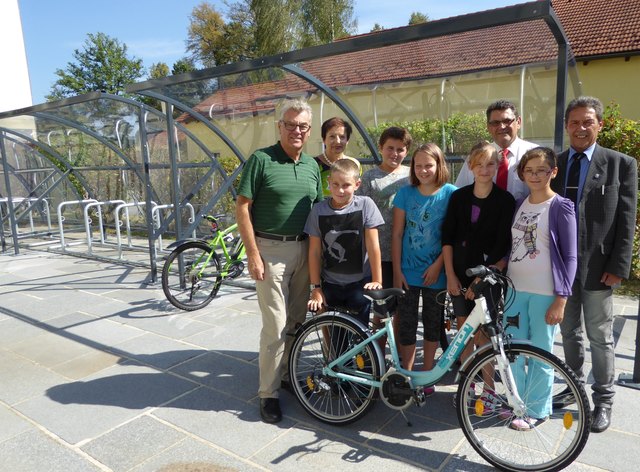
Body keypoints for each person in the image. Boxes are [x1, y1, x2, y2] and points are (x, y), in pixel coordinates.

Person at [550, 96, 638, 433]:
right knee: (569, 333)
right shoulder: (555, 164)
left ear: (599, 124)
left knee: (599, 336)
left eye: (587, 121)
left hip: (599, 267)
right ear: (567, 126)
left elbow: (627, 219)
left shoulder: (620, 164)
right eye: (574, 122)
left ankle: (604, 400)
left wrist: (619, 265)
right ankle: (575, 390)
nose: (580, 128)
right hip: (560, 268)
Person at [235, 98, 323, 424]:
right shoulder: (261, 160)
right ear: (279, 127)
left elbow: (318, 211)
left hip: (303, 250)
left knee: (297, 322)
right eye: (291, 125)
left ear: (308, 130)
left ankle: (286, 376)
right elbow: (242, 206)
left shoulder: (312, 166)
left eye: (302, 126)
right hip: (270, 251)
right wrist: (253, 253)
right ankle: (267, 394)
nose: (296, 131)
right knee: (275, 326)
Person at [502, 147, 577, 431]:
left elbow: (570, 256)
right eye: (529, 171)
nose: (534, 176)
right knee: (513, 352)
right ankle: (516, 404)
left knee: (541, 352)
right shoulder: (520, 203)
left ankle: (537, 409)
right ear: (522, 173)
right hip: (514, 291)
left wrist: (562, 298)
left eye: (541, 170)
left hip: (545, 293)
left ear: (553, 172)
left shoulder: (560, 207)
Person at [442, 141, 516, 411]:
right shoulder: (459, 197)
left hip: (489, 275)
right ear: (471, 167)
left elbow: (502, 243)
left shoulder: (505, 200)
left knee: (485, 333)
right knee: (464, 332)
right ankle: (466, 384)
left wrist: (482, 279)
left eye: (490, 164)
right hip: (460, 275)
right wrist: (450, 275)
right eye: (479, 164)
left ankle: (489, 388)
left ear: (497, 166)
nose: (485, 170)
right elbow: (447, 238)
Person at [391, 143, 457, 390]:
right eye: (417, 165)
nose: (423, 170)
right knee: (406, 323)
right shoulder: (405, 194)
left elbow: (452, 236)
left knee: (433, 322)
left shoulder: (451, 193)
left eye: (428, 165)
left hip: (436, 272)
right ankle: (407, 374)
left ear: (439, 165)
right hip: (408, 271)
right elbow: (397, 234)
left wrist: (439, 265)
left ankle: (428, 373)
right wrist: (397, 271)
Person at [305, 159, 384, 326]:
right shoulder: (318, 210)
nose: (340, 190)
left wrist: (377, 280)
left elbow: (373, 245)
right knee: (336, 339)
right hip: (331, 284)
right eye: (335, 184)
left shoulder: (365, 205)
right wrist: (316, 288)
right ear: (328, 183)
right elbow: (314, 252)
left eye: (346, 185)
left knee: (360, 337)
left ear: (357, 184)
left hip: (360, 283)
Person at [357, 127, 412, 333]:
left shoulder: (411, 175)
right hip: (379, 254)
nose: (394, 154)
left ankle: (396, 351)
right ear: (381, 148)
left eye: (400, 149)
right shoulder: (370, 177)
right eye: (390, 148)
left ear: (406, 152)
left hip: (406, 252)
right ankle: (377, 355)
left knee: (401, 307)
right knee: (382, 310)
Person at [456, 100, 537, 201]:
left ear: (519, 122)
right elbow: (461, 195)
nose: (502, 127)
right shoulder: (476, 156)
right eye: (495, 123)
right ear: (488, 127)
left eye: (507, 121)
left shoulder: (535, 154)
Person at [314, 117, 361, 197]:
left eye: (342, 137)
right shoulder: (314, 164)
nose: (337, 141)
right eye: (332, 137)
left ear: (347, 140)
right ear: (324, 140)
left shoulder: (354, 164)